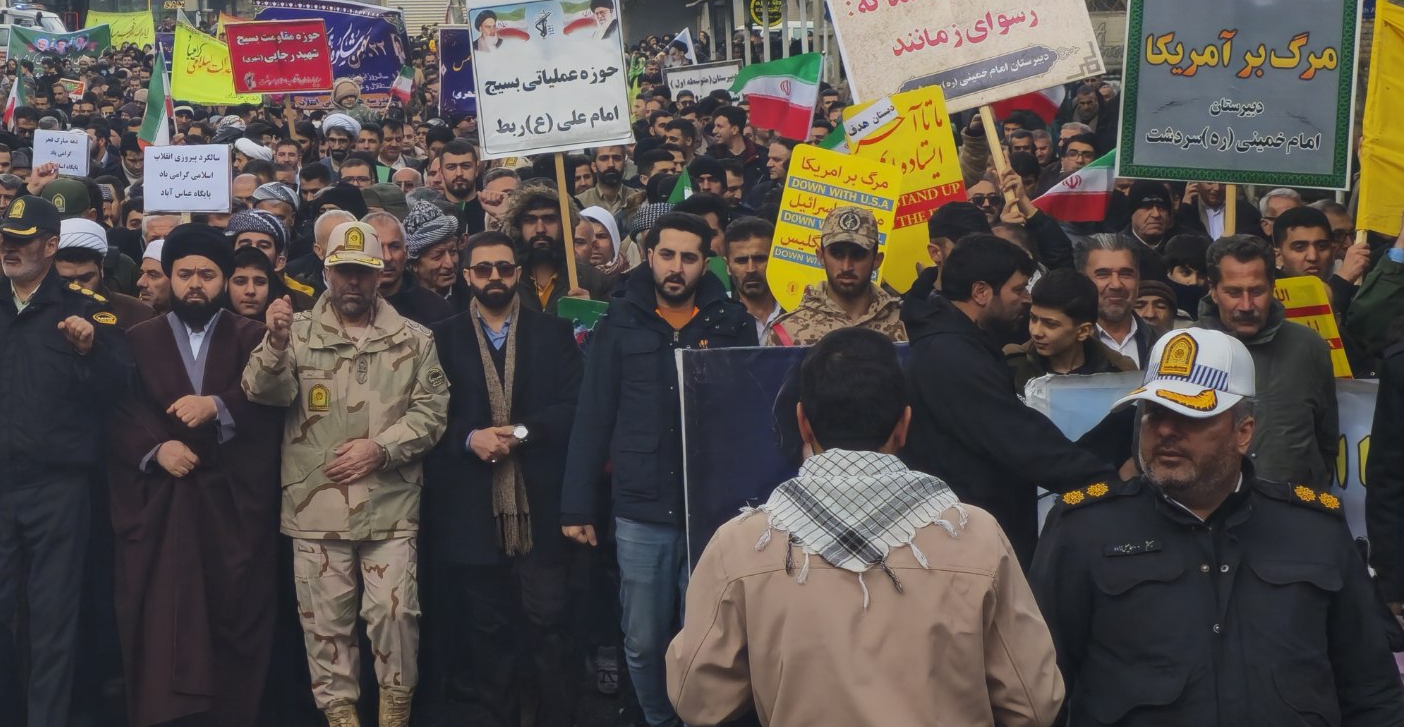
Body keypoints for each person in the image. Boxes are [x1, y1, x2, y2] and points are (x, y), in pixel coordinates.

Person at [667, 329, 1064, 727]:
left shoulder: (743, 545)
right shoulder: (976, 536)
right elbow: (1033, 702)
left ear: (803, 422)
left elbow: (698, 698)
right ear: (903, 425)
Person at [1032, 327, 1404, 726]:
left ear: (1243, 432)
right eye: (1155, 412)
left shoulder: (1314, 529)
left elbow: (1372, 693)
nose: (1166, 430)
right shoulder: (1085, 529)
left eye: (1190, 415)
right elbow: (1036, 694)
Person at [0, 193, 129, 727]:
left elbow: (118, 391)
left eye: (20, 242)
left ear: (50, 245)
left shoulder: (86, 309)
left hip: (57, 486)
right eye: (4, 242)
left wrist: (92, 350)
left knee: (53, 619)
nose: (7, 252)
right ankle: (1, 712)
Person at [241, 219, 450, 727]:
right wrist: (272, 343)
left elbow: (432, 412)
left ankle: (394, 715)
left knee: (396, 617)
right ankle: (341, 719)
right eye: (342, 271)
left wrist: (382, 449)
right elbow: (262, 392)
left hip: (391, 504)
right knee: (326, 627)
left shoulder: (415, 339)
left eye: (363, 272)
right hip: (317, 507)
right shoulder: (295, 333)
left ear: (380, 274)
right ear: (326, 272)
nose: (352, 282)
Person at [560, 212, 754, 727]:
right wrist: (577, 504)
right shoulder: (619, 320)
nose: (677, 267)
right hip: (641, 506)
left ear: (704, 262)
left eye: (689, 257)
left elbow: (749, 415)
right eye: (667, 255)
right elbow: (593, 416)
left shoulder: (729, 321)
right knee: (643, 641)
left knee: (711, 639)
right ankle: (658, 720)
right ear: (649, 257)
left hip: (712, 509)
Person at [106, 225, 280, 727]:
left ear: (224, 279)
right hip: (164, 505)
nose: (195, 284)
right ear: (170, 278)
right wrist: (157, 449)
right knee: (163, 618)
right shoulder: (138, 339)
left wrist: (221, 406)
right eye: (184, 274)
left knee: (234, 616)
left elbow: (274, 405)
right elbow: (121, 411)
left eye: (207, 274)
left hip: (231, 507)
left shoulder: (254, 338)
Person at [428, 230, 585, 727]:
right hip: (472, 510)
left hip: (538, 503)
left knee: (549, 624)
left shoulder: (554, 333)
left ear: (517, 272)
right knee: (486, 632)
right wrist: (470, 438)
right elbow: (426, 414)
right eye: (483, 269)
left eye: (503, 267)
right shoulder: (440, 338)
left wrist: (520, 433)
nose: (494, 276)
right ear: (467, 275)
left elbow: (572, 405)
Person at [901, 237, 1121, 564]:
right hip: (968, 549)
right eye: (1018, 289)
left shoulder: (963, 346)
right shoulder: (952, 357)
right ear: (981, 293)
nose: (1027, 300)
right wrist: (1107, 485)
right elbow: (1018, 439)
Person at [1198, 235, 1337, 490]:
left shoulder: (1309, 347)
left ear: (1272, 286)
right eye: (1234, 292)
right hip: (1207, 510)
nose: (1247, 305)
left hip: (1292, 511)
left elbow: (1327, 440)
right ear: (1213, 290)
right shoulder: (1184, 348)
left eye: (1257, 291)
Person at [779, 207, 906, 344]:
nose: (846, 267)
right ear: (821, 256)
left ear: (876, 260)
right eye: (837, 254)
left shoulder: (906, 324)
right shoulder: (787, 332)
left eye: (858, 255)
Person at [1005, 268, 1137, 392]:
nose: (1036, 332)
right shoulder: (1012, 366)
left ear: (1083, 331)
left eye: (1050, 324)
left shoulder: (1120, 373)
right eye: (1033, 319)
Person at [1080, 237, 1149, 369]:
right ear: (1082, 280)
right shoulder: (1066, 346)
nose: (1116, 285)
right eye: (1103, 274)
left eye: (1126, 274)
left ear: (1138, 280)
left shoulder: (1163, 342)